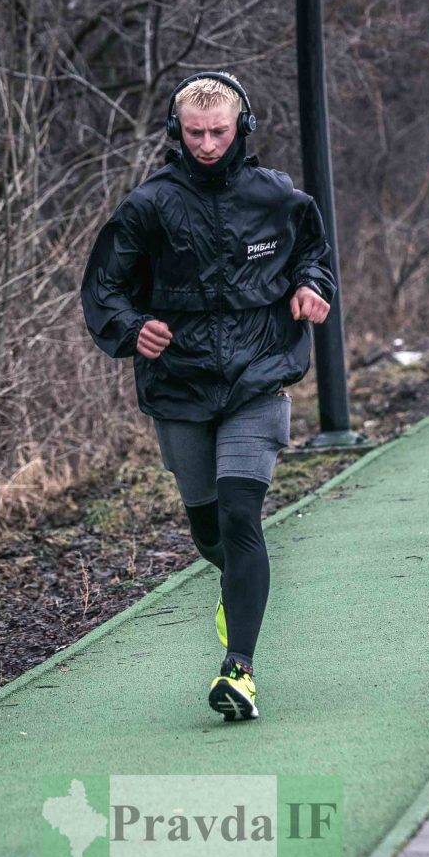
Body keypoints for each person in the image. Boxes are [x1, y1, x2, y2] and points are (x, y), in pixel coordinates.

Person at [80, 72, 336, 721]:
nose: (206, 144)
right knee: (206, 527)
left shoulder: (277, 197)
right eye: (194, 133)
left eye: (218, 132)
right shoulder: (148, 205)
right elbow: (104, 289)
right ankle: (234, 582)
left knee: (239, 516)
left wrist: (310, 286)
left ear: (241, 128)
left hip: (257, 376)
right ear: (176, 132)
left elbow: (313, 254)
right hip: (180, 384)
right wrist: (133, 327)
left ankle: (239, 671)